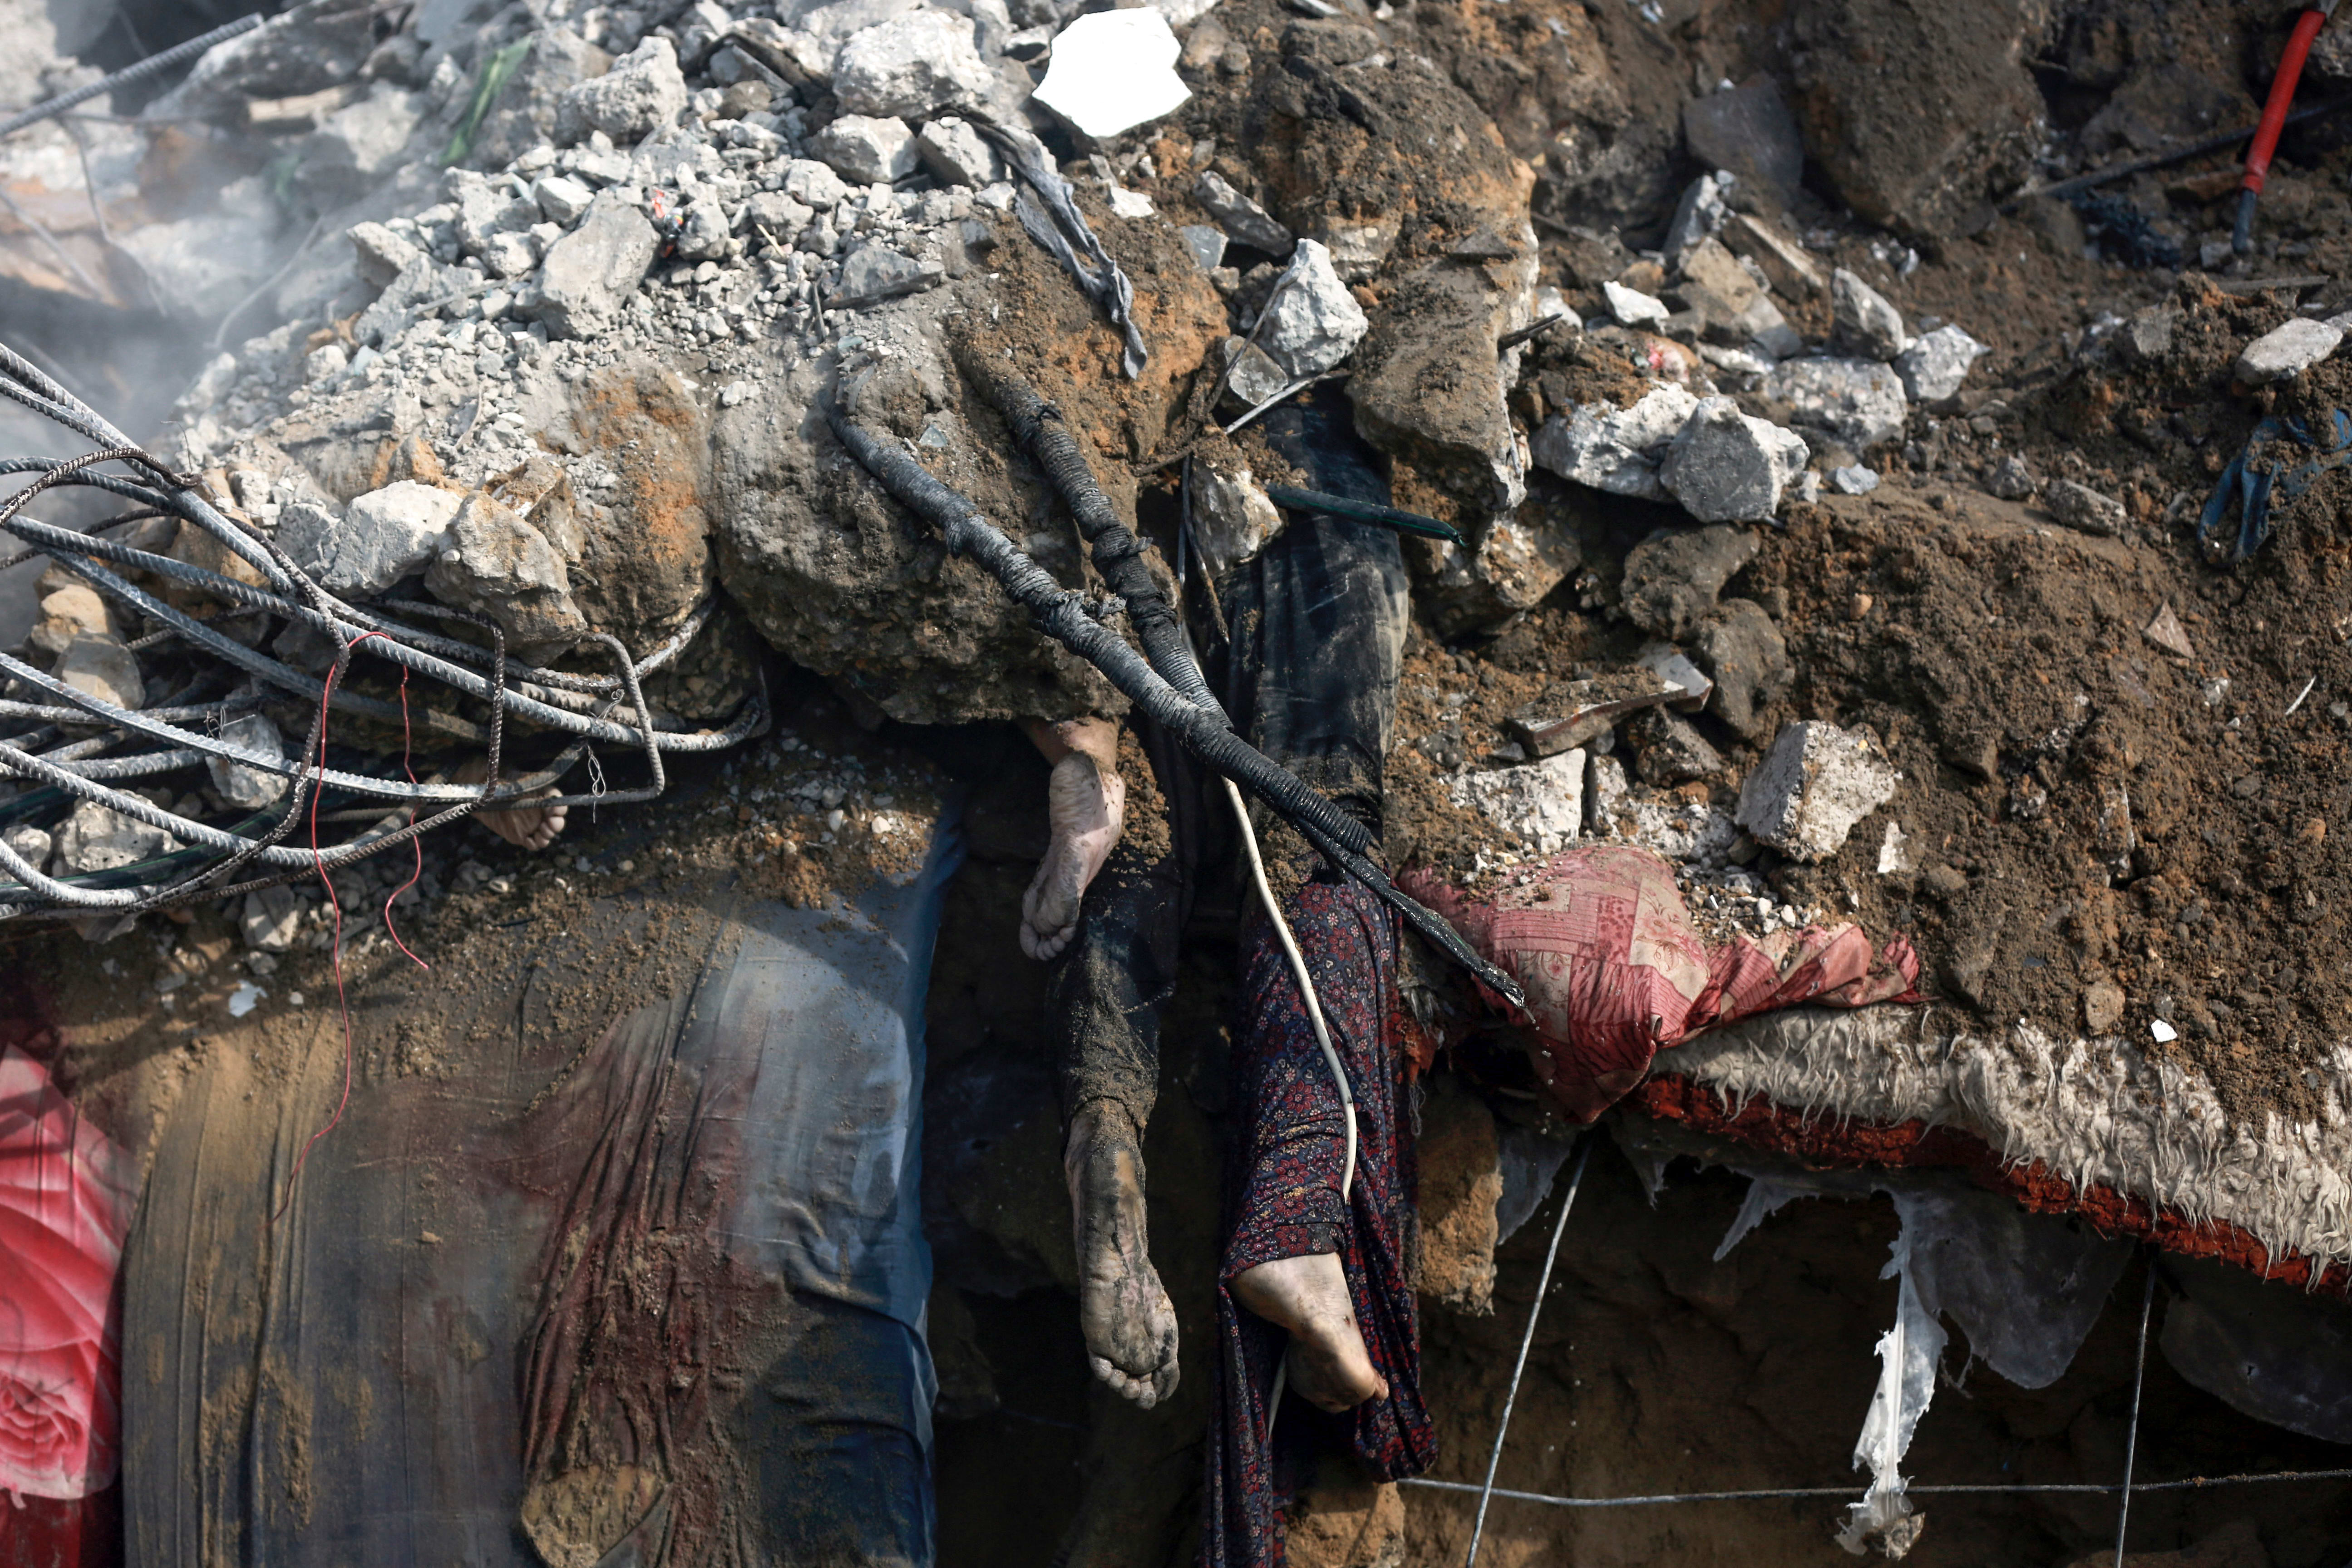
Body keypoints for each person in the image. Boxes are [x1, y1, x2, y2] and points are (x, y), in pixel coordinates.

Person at [1027, 388, 1434, 1566]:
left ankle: (1102, 1138)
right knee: (1325, 851)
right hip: (1315, 557)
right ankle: (1294, 1220)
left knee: (1141, 850)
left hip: (1127, 574)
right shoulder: (1342, 441)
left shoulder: (1116, 380)